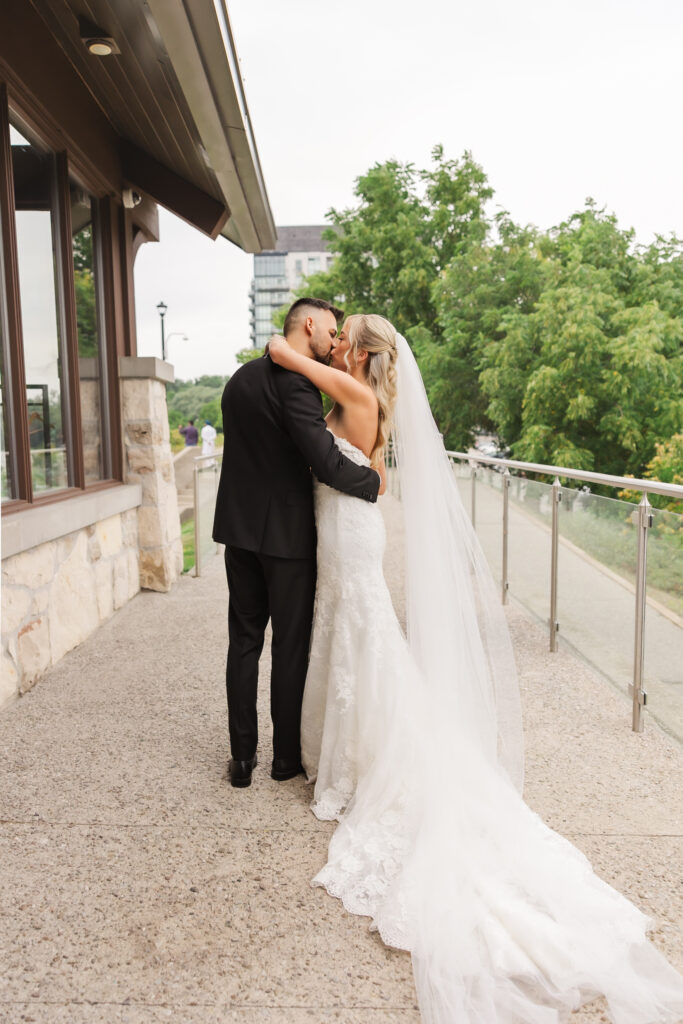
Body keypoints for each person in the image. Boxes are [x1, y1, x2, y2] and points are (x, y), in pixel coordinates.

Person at [267, 314, 683, 1024]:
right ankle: (346, 750)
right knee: (350, 635)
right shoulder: (359, 396)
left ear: (361, 353)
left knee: (364, 637)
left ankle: (371, 759)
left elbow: (281, 351)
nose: (333, 343)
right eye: (331, 337)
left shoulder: (351, 393)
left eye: (343, 338)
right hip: (340, 528)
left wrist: (301, 336)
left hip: (351, 531)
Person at [212, 298, 380, 789]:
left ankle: (241, 758)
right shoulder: (300, 385)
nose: (333, 343)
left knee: (243, 642)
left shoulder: (239, 380)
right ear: (310, 325)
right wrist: (371, 482)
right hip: (286, 540)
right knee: (289, 646)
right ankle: (284, 759)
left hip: (238, 533)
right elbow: (325, 462)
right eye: (331, 331)